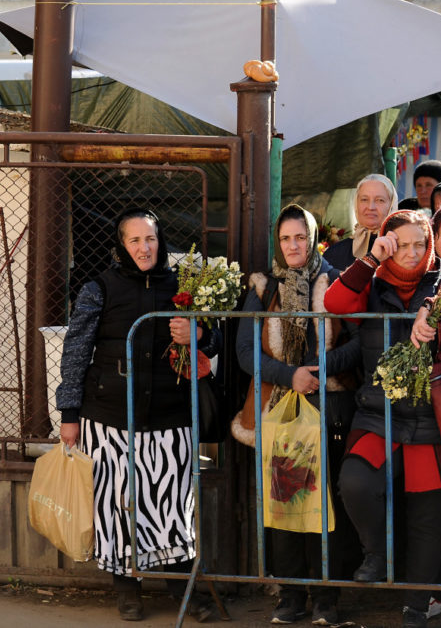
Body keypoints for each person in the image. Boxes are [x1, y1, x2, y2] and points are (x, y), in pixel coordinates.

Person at [324, 210, 441, 628]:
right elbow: (334, 302)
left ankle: (416, 606)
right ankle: (376, 554)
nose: (412, 252)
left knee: (427, 517)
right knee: (354, 482)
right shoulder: (371, 283)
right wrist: (370, 261)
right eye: (402, 244)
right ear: (386, 243)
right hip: (377, 413)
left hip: (430, 419)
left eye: (420, 244)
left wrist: (436, 309)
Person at [56, 208, 221, 622]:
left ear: (160, 241)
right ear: (121, 245)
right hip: (109, 417)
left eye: (150, 239)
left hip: (171, 415)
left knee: (173, 506)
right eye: (134, 240)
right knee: (117, 503)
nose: (143, 248)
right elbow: (75, 354)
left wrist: (198, 332)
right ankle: (127, 588)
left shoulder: (183, 284)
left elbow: (216, 340)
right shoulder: (99, 289)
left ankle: (185, 592)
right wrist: (70, 413)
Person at [235, 205, 362, 625]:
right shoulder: (262, 288)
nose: (294, 246)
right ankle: (290, 594)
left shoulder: (338, 282)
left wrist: (319, 371)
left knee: (328, 504)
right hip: (280, 411)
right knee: (286, 498)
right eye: (286, 238)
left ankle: (327, 596)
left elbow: (359, 342)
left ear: (314, 240)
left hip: (328, 410)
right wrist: (290, 375)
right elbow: (245, 351)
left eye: (301, 238)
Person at [325, 174, 398, 271]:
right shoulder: (335, 253)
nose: (371, 207)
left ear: (392, 205)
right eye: (364, 200)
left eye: (380, 200)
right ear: (356, 204)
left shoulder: (402, 250)